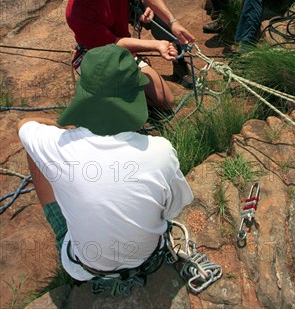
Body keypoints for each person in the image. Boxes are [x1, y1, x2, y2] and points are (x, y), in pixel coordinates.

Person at [16, 44, 194, 285]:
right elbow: (172, 210)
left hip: (87, 267)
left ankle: (66, 224)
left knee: (36, 152)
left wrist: (62, 129)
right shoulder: (161, 150)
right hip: (149, 256)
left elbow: (24, 125)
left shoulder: (59, 146)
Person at [65, 0, 195, 110]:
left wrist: (172, 22)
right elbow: (113, 44)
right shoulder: (77, 13)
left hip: (122, 50)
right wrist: (157, 45)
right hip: (97, 56)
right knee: (123, 106)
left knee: (165, 101)